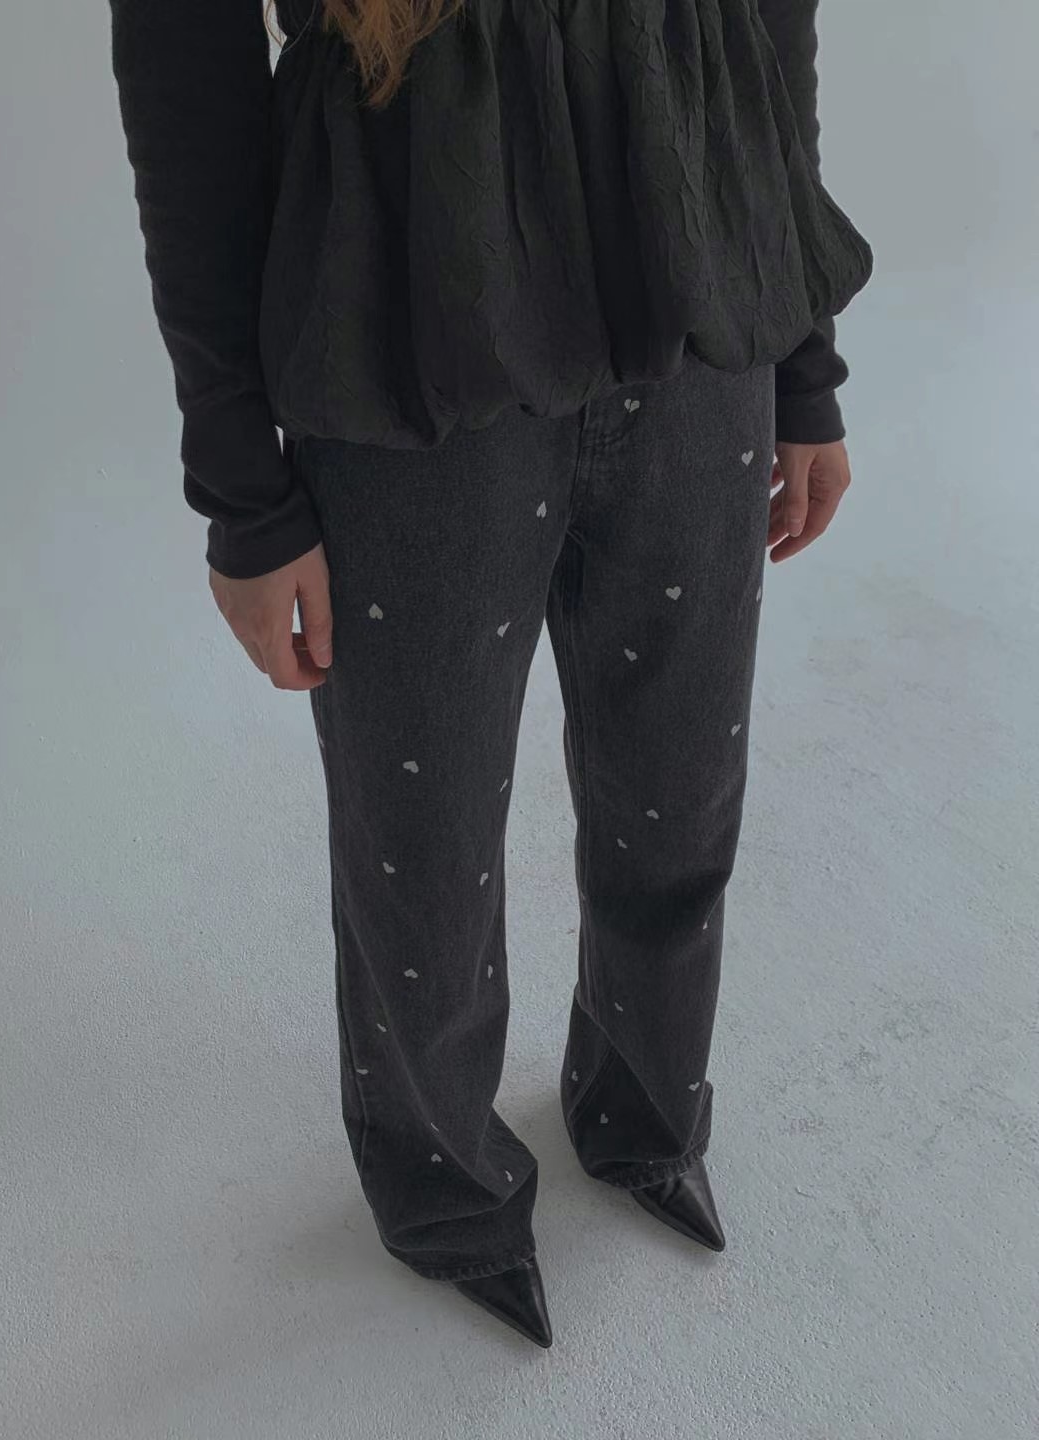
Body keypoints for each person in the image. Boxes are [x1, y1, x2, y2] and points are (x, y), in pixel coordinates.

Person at [108, 0, 874, 1349]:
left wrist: (800, 357)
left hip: (697, 315)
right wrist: (243, 493)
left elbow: (765, 23)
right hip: (412, 334)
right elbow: (189, 87)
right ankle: (446, 1190)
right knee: (424, 834)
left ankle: (646, 1117)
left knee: (680, 790)